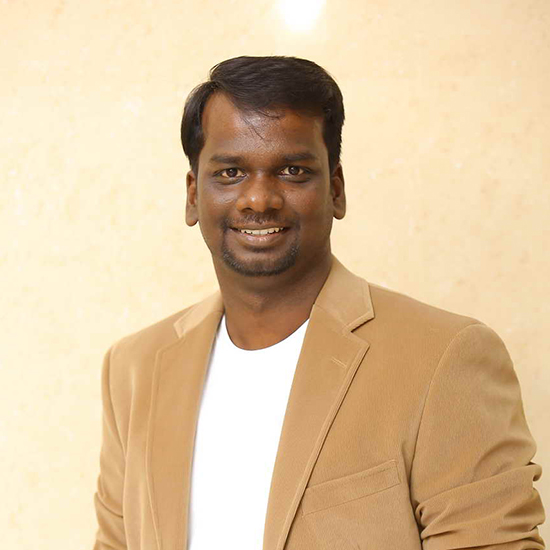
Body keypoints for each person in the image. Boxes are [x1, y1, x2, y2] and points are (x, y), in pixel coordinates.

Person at [92, 56, 546, 550]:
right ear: (192, 195)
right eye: (230, 172)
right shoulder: (134, 368)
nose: (259, 199)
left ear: (335, 190)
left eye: (293, 171)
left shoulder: (443, 357)